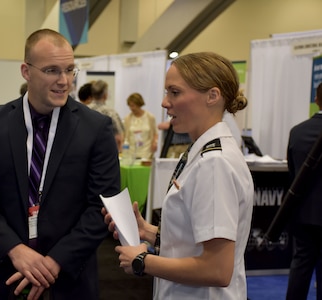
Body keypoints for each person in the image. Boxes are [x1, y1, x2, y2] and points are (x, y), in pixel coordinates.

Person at [0, 29, 121, 300]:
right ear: (26, 71)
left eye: (70, 70)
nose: (64, 81)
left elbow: (102, 206)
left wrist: (53, 262)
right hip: (3, 274)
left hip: (68, 279)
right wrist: (15, 250)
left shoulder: (96, 129)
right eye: (51, 70)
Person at [103, 52, 254, 299]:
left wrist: (143, 261)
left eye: (174, 92)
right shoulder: (206, 152)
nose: (164, 102)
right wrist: (147, 231)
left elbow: (217, 269)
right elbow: (195, 241)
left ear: (212, 96)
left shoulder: (214, 163)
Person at [285, 82, 322, 300]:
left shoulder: (297, 131)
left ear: (316, 101)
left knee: (300, 265)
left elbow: (292, 173)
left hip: (303, 212)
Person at [89, 80, 124, 152]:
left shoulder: (83, 110)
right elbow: (119, 137)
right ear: (105, 95)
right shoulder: (111, 113)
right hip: (105, 152)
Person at [123, 92, 158, 159]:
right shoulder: (127, 119)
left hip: (146, 152)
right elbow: (124, 135)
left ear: (139, 104)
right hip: (131, 152)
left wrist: (154, 143)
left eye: (133, 105)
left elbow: (155, 133)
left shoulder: (150, 117)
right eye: (130, 106)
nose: (131, 108)